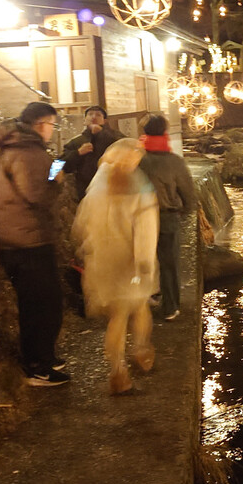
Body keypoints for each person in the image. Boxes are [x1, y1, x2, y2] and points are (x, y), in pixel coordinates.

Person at [0, 101, 69, 386]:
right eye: (52, 125)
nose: (52, 131)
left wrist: (52, 166)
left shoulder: (2, 148)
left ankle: (42, 356)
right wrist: (56, 178)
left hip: (11, 239)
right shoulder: (28, 153)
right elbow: (39, 196)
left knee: (33, 304)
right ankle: (38, 367)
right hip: (30, 241)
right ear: (40, 124)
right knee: (45, 306)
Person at [71, 138, 158, 395]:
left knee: (116, 319)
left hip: (102, 264)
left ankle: (118, 370)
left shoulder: (95, 189)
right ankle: (141, 349)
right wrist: (144, 268)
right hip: (130, 266)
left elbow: (80, 228)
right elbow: (146, 234)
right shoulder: (140, 190)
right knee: (140, 308)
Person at [139, 114, 197, 321]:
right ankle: (170, 307)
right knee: (169, 263)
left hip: (138, 217)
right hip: (166, 217)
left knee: (141, 259)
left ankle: (142, 299)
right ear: (165, 132)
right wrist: (188, 211)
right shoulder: (174, 161)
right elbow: (188, 193)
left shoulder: (136, 158)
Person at [61, 105, 124, 200]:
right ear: (84, 120)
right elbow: (59, 165)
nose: (94, 117)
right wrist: (78, 153)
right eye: (90, 114)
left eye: (98, 115)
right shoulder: (76, 142)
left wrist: (102, 134)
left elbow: (127, 151)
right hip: (85, 191)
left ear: (105, 121)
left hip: (113, 189)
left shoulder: (116, 137)